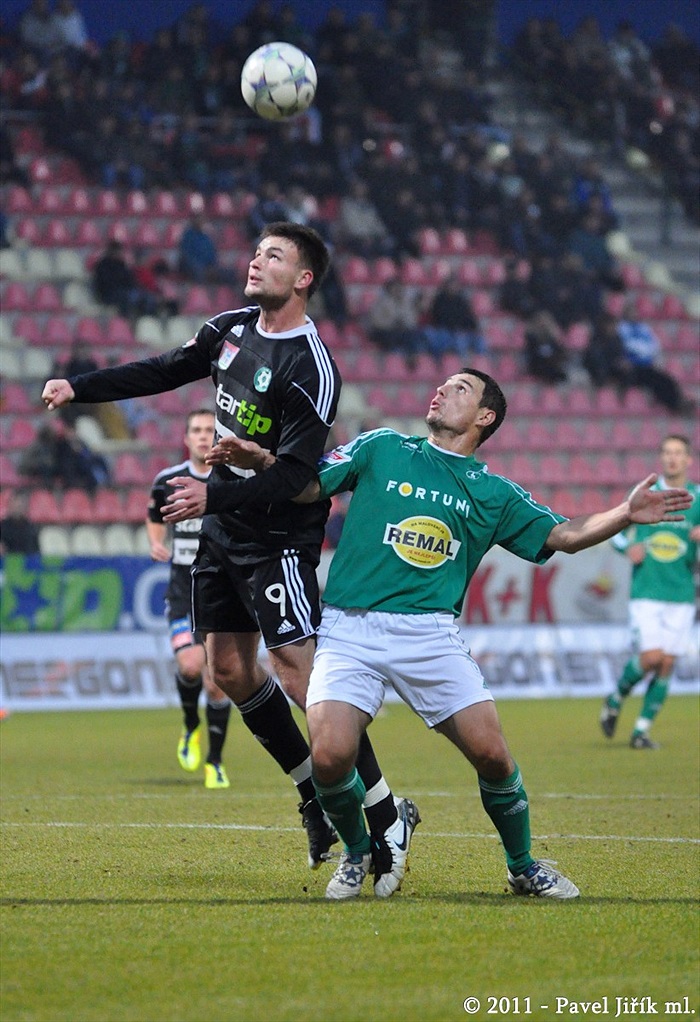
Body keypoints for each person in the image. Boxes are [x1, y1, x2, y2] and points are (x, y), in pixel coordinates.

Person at [212, 368, 692, 900]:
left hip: (430, 636)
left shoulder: (493, 492)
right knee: (329, 757)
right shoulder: (381, 446)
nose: (441, 390)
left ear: (485, 417)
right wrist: (261, 461)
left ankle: (523, 865)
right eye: (442, 384)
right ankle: (356, 851)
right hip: (350, 628)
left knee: (492, 755)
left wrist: (626, 513)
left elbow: (564, 535)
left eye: (460, 388)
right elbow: (307, 485)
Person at [41, 222, 409, 884]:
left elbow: (296, 478)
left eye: (274, 256)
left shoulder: (312, 368)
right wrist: (81, 388)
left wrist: (211, 499)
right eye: (257, 250)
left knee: (301, 675)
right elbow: (164, 369)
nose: (255, 260)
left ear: (303, 280)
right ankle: (313, 794)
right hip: (224, 529)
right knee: (233, 672)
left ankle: (384, 815)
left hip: (277, 539)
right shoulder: (229, 329)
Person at [146, 409, 232, 788]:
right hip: (183, 595)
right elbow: (153, 514)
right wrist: (155, 542)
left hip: (221, 595)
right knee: (190, 667)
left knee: (218, 684)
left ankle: (214, 761)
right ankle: (189, 725)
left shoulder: (230, 479)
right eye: (196, 430)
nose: (202, 436)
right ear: (186, 438)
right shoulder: (168, 480)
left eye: (209, 430)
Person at [600, 435, 700, 749]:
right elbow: (613, 532)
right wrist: (628, 546)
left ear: (688, 460)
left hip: (682, 592)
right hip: (646, 590)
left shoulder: (697, 498)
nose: (672, 459)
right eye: (667, 453)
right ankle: (616, 697)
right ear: (661, 458)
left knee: (668, 662)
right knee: (652, 658)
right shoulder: (643, 495)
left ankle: (640, 732)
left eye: (678, 453)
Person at [0, 491, 40, 555]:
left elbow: (35, 550)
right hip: (8, 562)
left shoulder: (31, 527)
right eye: (16, 504)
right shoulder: (2, 526)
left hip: (27, 562)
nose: (19, 507)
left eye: (21, 504)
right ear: (10, 505)